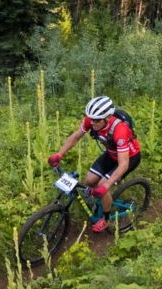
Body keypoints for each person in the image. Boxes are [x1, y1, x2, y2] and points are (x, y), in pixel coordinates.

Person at [48, 96, 141, 233]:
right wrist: (59, 154)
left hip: (129, 158)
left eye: (96, 120)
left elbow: (123, 164)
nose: (92, 122)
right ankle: (98, 203)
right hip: (111, 154)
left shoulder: (120, 130)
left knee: (102, 185)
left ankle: (106, 219)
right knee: (89, 180)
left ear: (108, 117)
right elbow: (76, 136)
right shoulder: (92, 119)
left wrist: (106, 186)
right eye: (90, 118)